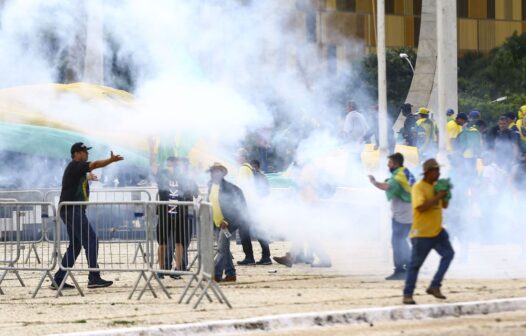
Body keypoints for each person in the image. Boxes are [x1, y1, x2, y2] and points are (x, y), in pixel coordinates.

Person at [52, 143, 124, 290]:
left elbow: (79, 178)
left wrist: (87, 177)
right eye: (84, 152)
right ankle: (94, 277)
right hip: (72, 210)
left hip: (70, 210)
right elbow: (96, 164)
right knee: (91, 240)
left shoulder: (76, 169)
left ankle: (58, 279)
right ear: (77, 154)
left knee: (76, 245)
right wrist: (111, 161)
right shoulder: (76, 165)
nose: (87, 154)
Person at [403, 158, 454, 305]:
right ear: (428, 172)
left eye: (439, 170)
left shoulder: (436, 186)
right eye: (436, 170)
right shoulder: (419, 187)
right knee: (415, 266)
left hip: (437, 231)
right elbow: (420, 207)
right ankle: (407, 294)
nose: (438, 173)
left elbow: (444, 206)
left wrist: (446, 195)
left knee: (449, 254)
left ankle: (435, 285)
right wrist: (438, 195)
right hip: (422, 233)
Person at [149, 150, 200, 278]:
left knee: (179, 243)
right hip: (165, 215)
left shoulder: (184, 178)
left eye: (175, 164)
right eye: (171, 164)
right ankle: (162, 270)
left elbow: (195, 192)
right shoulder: (163, 175)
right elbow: (153, 167)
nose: (173, 166)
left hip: (181, 215)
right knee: (162, 243)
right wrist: (152, 150)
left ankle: (178, 269)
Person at [369, 153, 415, 280]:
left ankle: (400, 270)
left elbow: (387, 186)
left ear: (396, 163)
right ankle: (411, 265)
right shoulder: (403, 172)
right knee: (401, 240)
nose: (388, 165)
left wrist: (374, 182)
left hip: (403, 213)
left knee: (397, 241)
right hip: (407, 212)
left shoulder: (398, 177)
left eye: (390, 163)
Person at [207, 162, 249, 282]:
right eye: (212, 171)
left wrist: (226, 220)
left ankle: (216, 274)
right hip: (216, 223)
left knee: (221, 248)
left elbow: (234, 207)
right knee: (224, 249)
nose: (213, 173)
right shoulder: (210, 185)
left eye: (216, 171)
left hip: (227, 223)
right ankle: (231, 274)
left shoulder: (229, 188)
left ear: (221, 173)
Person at [236, 149, 272, 266]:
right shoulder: (250, 169)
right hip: (254, 204)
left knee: (244, 232)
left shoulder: (243, 169)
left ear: (242, 157)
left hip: (247, 205)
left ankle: (249, 257)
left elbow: (243, 189)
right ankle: (266, 256)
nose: (236, 158)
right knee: (259, 230)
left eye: (238, 156)